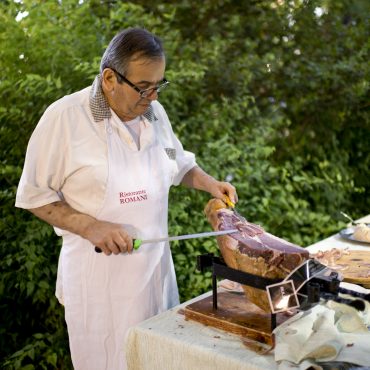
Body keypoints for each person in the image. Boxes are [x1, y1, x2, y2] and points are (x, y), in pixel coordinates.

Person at [15, 27, 237, 370]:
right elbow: (34, 195)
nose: (154, 97)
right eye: (144, 87)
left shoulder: (154, 114)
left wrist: (210, 184)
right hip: (99, 288)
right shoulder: (65, 118)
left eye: (158, 85)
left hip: (155, 280)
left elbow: (177, 164)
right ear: (109, 78)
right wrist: (90, 226)